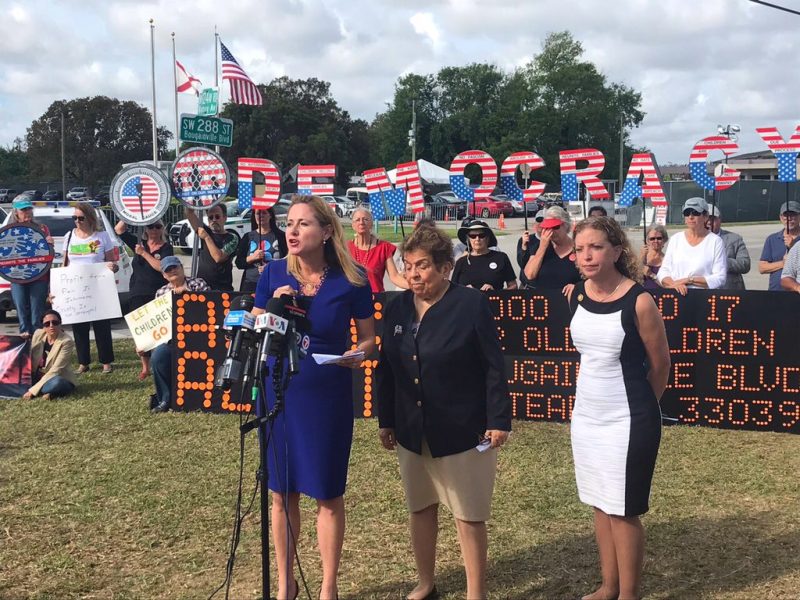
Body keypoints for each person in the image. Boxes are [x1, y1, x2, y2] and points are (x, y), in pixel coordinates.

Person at [377, 221, 511, 600]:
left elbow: (493, 366)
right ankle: (426, 582)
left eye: (421, 265)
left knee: (467, 514)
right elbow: (386, 366)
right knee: (420, 508)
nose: (413, 274)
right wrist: (386, 419)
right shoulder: (398, 306)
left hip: (463, 429)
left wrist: (498, 420)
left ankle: (475, 593)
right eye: (407, 265)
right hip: (411, 429)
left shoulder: (470, 305)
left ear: (445, 267)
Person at [252, 195, 375, 600]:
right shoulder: (272, 273)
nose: (292, 230)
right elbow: (254, 322)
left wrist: (360, 354)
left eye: (303, 224)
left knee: (326, 491)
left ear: (325, 232)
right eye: (290, 222)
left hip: (326, 394)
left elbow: (370, 338)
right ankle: (285, 584)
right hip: (278, 389)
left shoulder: (352, 277)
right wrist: (272, 306)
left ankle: (327, 587)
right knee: (281, 492)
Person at [569, 217, 670, 600]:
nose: (586, 255)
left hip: (628, 421)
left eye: (594, 247)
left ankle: (629, 594)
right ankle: (608, 586)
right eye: (580, 249)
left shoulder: (640, 300)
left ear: (615, 250)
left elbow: (660, 365)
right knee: (599, 501)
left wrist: (642, 411)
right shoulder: (576, 294)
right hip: (586, 418)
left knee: (622, 509)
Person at [62, 202, 118, 373]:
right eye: (74, 218)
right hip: (76, 288)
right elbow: (65, 263)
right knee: (79, 327)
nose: (77, 221)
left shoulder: (102, 237)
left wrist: (112, 267)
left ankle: (106, 361)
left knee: (101, 325)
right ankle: (83, 362)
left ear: (90, 218)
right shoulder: (69, 236)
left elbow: (112, 263)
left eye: (81, 218)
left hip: (98, 287)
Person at [115, 219, 174, 379]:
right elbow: (119, 229)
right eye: (150, 226)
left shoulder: (167, 248)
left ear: (163, 229)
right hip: (137, 292)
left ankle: (161, 362)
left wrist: (144, 253)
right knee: (141, 331)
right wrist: (133, 214)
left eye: (158, 226)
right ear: (145, 229)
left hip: (158, 293)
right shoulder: (138, 243)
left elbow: (162, 267)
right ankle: (145, 367)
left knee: (160, 331)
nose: (154, 229)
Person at [150, 256, 209, 413]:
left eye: (175, 267)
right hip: (172, 339)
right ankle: (165, 399)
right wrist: (143, 342)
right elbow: (156, 323)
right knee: (158, 356)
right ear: (163, 275)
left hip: (198, 336)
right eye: (168, 270)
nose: (172, 271)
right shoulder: (161, 292)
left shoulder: (198, 283)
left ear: (182, 268)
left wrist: (189, 294)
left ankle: (199, 398)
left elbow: (209, 307)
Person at [657, 197, 726, 295]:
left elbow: (720, 277)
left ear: (706, 216)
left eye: (695, 213)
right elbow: (663, 271)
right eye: (687, 213)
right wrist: (674, 284)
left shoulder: (715, 241)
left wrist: (689, 280)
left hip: (703, 298)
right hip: (676, 295)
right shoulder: (675, 239)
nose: (690, 216)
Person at [8, 196, 54, 337]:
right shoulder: (8, 231)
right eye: (23, 210)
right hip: (17, 277)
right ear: (16, 212)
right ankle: (25, 349)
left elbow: (48, 255)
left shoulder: (42, 229)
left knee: (37, 316)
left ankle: (37, 347)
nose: (27, 212)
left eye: (29, 208)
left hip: (39, 277)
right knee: (22, 314)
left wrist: (50, 245)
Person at [347, 207, 408, 293]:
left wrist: (413, 287)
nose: (361, 222)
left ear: (371, 223)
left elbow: (395, 277)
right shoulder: (345, 248)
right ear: (352, 225)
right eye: (357, 220)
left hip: (376, 301)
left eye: (365, 219)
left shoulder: (383, 248)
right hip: (351, 300)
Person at [22, 309, 77, 400]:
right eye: (47, 324)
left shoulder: (67, 341)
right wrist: (23, 340)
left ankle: (43, 390)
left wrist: (32, 391)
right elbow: (26, 354)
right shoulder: (38, 334)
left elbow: (56, 370)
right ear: (43, 326)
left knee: (57, 383)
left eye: (55, 322)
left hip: (56, 376)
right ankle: (48, 392)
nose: (51, 326)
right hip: (38, 375)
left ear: (60, 323)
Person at [523, 205, 581, 290]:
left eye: (555, 227)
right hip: (545, 299)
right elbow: (529, 275)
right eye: (547, 228)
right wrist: (542, 247)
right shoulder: (539, 247)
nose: (551, 231)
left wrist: (578, 288)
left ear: (566, 225)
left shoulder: (578, 248)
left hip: (571, 299)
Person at [452, 220, 517, 291]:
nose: (477, 239)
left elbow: (513, 286)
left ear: (487, 238)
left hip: (493, 301)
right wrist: (465, 291)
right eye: (472, 236)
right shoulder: (461, 262)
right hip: (467, 301)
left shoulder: (501, 257)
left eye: (481, 236)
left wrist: (495, 292)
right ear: (468, 239)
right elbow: (452, 290)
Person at [185, 203, 237, 291]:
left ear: (224, 218)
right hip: (202, 286)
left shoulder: (232, 237)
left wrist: (206, 237)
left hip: (222, 288)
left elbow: (218, 257)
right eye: (210, 217)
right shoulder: (205, 230)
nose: (214, 220)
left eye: (217, 217)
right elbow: (189, 213)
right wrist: (193, 200)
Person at [235, 206, 287, 293]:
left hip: (274, 283)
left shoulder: (281, 236)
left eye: (264, 213)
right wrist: (252, 257)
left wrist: (271, 267)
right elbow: (239, 263)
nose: (261, 216)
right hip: (251, 284)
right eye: (258, 213)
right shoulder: (248, 237)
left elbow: (288, 261)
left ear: (270, 215)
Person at [759, 200, 800, 291]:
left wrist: (792, 253)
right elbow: (762, 268)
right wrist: (783, 263)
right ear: (781, 218)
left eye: (793, 215)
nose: (789, 218)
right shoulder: (772, 239)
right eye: (785, 215)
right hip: (776, 293)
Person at [707, 206, 750, 290]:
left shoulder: (734, 239)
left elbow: (745, 264)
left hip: (729, 291)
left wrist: (722, 261)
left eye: (712, 219)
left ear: (720, 220)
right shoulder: (695, 240)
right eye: (706, 219)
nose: (709, 222)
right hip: (704, 291)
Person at [517, 209, 544, 288]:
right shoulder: (527, 240)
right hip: (527, 285)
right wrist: (524, 247)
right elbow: (522, 264)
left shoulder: (553, 241)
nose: (541, 223)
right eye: (539, 220)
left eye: (544, 221)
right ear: (535, 223)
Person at [639, 225, 668, 291]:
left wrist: (651, 274)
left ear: (664, 240)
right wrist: (641, 259)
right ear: (647, 241)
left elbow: (668, 285)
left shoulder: (667, 260)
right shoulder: (641, 257)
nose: (656, 241)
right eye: (652, 239)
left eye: (659, 238)